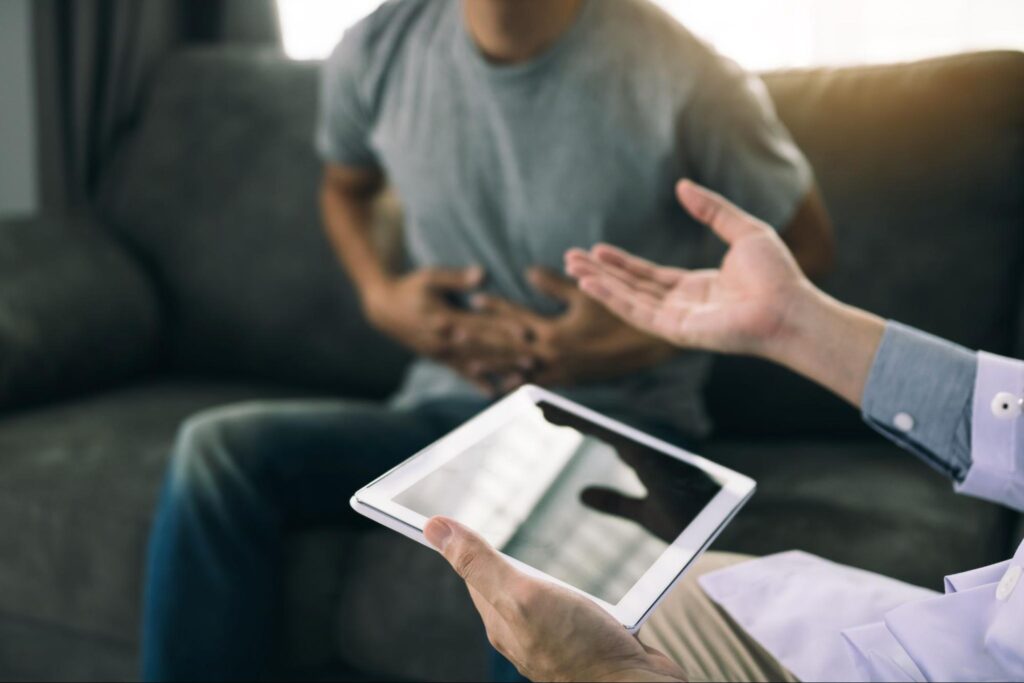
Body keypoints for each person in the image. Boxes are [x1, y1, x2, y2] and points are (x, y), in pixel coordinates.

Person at [140, 1, 834, 679]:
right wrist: (381, 296)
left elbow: (806, 247)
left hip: (616, 424)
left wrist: (628, 341)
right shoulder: (378, 47)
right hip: (446, 416)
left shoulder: (688, 73)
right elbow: (344, 186)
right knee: (216, 450)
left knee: (541, 604)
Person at [423, 179, 1023, 682]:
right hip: (951, 641)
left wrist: (610, 674)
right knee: (659, 594)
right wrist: (792, 321)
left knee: (577, 625)